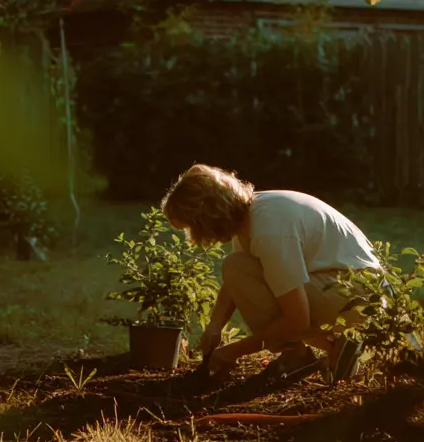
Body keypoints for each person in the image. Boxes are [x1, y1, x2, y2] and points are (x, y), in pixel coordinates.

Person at [160, 164, 380, 383]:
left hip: (357, 297)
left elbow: (298, 320)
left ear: (209, 217)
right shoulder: (252, 214)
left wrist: (232, 352)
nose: (196, 236)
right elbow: (238, 279)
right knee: (236, 267)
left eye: (193, 227)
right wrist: (215, 325)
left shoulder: (270, 231)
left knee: (283, 305)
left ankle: (319, 351)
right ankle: (325, 351)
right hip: (344, 287)